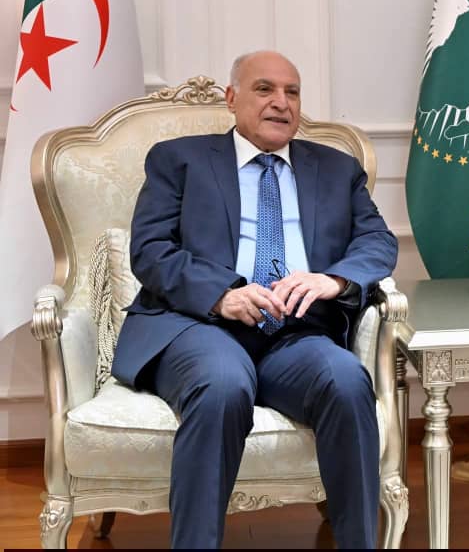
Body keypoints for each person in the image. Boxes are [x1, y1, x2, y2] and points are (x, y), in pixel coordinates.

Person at [111, 50, 398, 548]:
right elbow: (151, 251)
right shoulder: (179, 160)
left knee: (348, 380)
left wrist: (333, 280)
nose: (281, 102)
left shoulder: (337, 169)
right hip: (201, 327)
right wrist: (220, 295)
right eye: (265, 89)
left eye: (292, 92)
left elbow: (378, 241)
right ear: (231, 98)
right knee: (223, 384)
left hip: (297, 334)